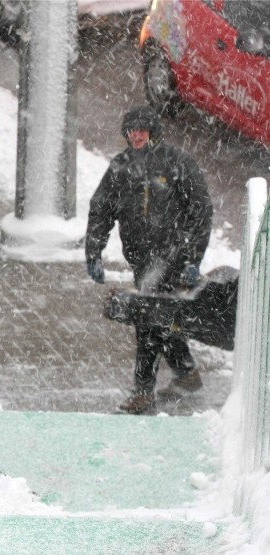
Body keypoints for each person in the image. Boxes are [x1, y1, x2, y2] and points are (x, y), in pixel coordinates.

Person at [84, 105, 213, 415]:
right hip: (142, 261)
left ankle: (143, 392)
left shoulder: (176, 163)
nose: (136, 135)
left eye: (142, 129)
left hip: (172, 258)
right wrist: (93, 251)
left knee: (148, 321)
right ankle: (186, 374)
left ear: (154, 131)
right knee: (161, 317)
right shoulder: (121, 167)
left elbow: (201, 209)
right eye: (131, 130)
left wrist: (193, 257)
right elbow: (101, 209)